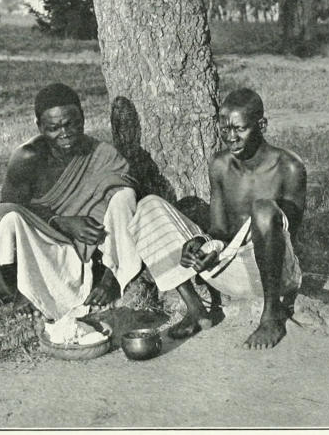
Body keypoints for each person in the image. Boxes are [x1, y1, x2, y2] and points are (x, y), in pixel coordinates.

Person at [129, 88, 306, 349]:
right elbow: (220, 229)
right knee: (149, 206)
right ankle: (195, 309)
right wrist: (204, 246)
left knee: (264, 209)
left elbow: (288, 236)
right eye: (225, 130)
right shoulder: (221, 165)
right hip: (229, 269)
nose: (231, 138)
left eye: (240, 129)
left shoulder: (289, 167)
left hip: (275, 277)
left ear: (262, 125)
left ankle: (271, 316)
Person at [0, 83, 142, 321]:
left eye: (71, 124)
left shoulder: (102, 155)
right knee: (7, 218)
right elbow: (10, 212)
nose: (64, 133)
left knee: (124, 196)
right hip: (43, 244)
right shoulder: (27, 158)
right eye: (53, 128)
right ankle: (20, 291)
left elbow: (121, 206)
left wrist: (84, 228)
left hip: (90, 246)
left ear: (83, 118)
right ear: (39, 126)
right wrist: (61, 222)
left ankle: (111, 280)